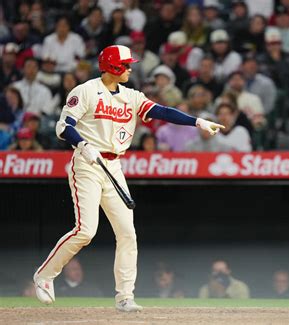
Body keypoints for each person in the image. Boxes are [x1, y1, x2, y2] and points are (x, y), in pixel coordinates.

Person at [32, 45, 224, 312]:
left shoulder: (131, 96)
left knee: (127, 233)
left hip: (114, 167)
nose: (130, 68)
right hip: (86, 165)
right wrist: (83, 145)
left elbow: (162, 112)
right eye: (125, 64)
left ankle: (124, 296)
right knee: (86, 231)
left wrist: (198, 122)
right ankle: (44, 276)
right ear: (112, 67)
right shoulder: (85, 90)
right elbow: (63, 127)